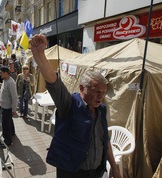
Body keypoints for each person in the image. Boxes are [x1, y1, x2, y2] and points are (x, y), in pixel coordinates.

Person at [30, 34, 121, 178]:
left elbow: (105, 140)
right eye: (96, 91)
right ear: (82, 88)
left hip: (96, 172)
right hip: (72, 172)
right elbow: (54, 83)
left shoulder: (102, 110)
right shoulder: (70, 104)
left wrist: (114, 168)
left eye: (103, 92)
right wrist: (39, 54)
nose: (100, 96)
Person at [0, 66, 18, 147]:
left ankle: (7, 141)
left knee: (5, 124)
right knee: (9, 122)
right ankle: (12, 133)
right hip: (6, 106)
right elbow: (5, 89)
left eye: (1, 73)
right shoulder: (6, 80)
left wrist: (14, 109)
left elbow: (14, 97)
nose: (0, 74)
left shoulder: (11, 83)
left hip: (7, 107)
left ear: (5, 73)